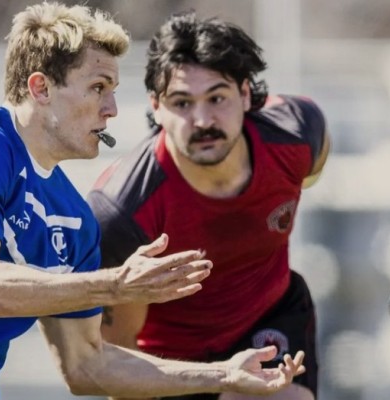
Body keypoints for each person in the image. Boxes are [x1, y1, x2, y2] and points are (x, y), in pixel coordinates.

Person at [0, 3, 307, 399]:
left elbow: (88, 367)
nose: (113, 109)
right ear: (40, 88)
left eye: (115, 92)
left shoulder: (76, 219)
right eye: (98, 88)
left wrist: (221, 373)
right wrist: (114, 284)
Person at [88, 10, 330, 400]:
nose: (202, 120)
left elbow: (310, 167)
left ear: (246, 94)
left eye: (217, 97)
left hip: (269, 320)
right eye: (182, 103)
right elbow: (114, 357)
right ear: (156, 107)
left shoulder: (298, 134)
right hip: (173, 366)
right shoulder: (120, 215)